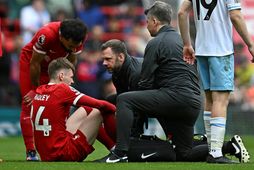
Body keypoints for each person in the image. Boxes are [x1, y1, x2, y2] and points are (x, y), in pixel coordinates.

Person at [97, 1, 203, 162]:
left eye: (147, 22)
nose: (146, 26)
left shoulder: (155, 43)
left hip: (174, 98)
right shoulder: (184, 41)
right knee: (184, 153)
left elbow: (145, 83)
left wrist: (133, 113)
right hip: (194, 102)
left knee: (124, 99)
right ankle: (228, 147)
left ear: (155, 21)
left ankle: (120, 153)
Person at [178, 0, 253, 163]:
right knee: (221, 100)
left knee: (210, 100)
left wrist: (186, 44)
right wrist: (250, 44)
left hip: (202, 50)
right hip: (221, 51)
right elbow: (235, 16)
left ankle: (211, 148)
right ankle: (216, 153)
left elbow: (181, 12)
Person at [19, 18, 88, 161]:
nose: (72, 49)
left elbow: (71, 60)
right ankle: (31, 152)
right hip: (31, 64)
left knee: (63, 102)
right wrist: (35, 90)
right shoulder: (46, 35)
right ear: (61, 37)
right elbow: (35, 63)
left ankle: (63, 144)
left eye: (76, 46)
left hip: (55, 67)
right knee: (29, 104)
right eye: (70, 45)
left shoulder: (79, 36)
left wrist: (67, 79)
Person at [31, 58, 116, 161]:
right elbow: (99, 104)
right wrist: (117, 109)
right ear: (61, 76)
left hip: (46, 155)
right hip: (64, 153)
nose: (72, 81)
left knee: (86, 109)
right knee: (99, 110)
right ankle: (118, 150)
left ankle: (114, 148)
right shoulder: (62, 89)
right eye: (71, 77)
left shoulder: (39, 91)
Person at [100, 39, 145, 136]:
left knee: (126, 102)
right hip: (140, 99)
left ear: (120, 57)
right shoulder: (116, 72)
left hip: (165, 99)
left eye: (108, 59)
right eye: (103, 59)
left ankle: (131, 141)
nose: (104, 63)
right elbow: (121, 99)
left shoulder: (136, 73)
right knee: (109, 101)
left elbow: (136, 106)